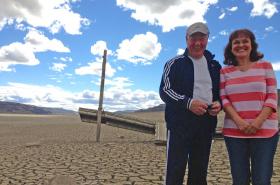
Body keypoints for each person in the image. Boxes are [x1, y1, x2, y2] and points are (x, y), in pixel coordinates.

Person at [159, 22, 221, 185]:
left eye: (202, 38)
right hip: (180, 125)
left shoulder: (215, 66)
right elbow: (165, 90)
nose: (198, 43)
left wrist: (218, 104)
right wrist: (188, 103)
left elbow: (220, 93)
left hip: (205, 125)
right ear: (186, 39)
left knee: (199, 173)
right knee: (175, 170)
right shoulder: (174, 63)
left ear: (207, 39)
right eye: (193, 38)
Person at [220, 29, 279, 185]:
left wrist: (258, 122)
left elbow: (272, 96)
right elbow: (224, 99)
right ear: (231, 47)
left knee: (262, 179)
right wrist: (240, 122)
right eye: (236, 42)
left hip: (265, 132)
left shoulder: (265, 66)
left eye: (245, 41)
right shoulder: (224, 71)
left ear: (252, 45)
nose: (241, 45)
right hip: (235, 133)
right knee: (239, 180)